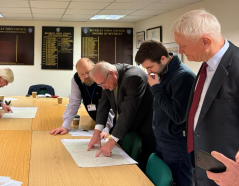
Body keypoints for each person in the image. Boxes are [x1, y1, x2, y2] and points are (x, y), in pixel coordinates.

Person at [171, 9, 239, 186]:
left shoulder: (236, 66)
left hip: (229, 172)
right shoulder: (205, 66)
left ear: (205, 41)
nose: (180, 51)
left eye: (183, 46)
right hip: (202, 163)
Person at [135, 40, 195, 185]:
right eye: (145, 68)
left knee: (180, 181)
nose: (149, 72)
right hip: (162, 139)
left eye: (150, 67)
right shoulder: (162, 71)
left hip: (176, 143)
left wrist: (155, 88)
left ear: (162, 58)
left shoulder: (183, 76)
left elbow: (178, 116)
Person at [87, 61, 155, 171]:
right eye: (100, 85)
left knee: (142, 167)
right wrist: (97, 132)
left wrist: (112, 141)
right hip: (128, 127)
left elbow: (127, 112)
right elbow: (103, 104)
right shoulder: (107, 78)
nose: (103, 88)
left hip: (145, 128)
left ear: (112, 73)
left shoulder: (133, 77)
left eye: (103, 83)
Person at [49, 58, 114, 138]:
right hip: (96, 120)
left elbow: (109, 105)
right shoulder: (76, 80)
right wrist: (65, 126)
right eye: (82, 74)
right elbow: (74, 102)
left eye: (88, 72)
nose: (86, 76)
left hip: (112, 123)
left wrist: (106, 128)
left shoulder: (102, 75)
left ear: (94, 67)